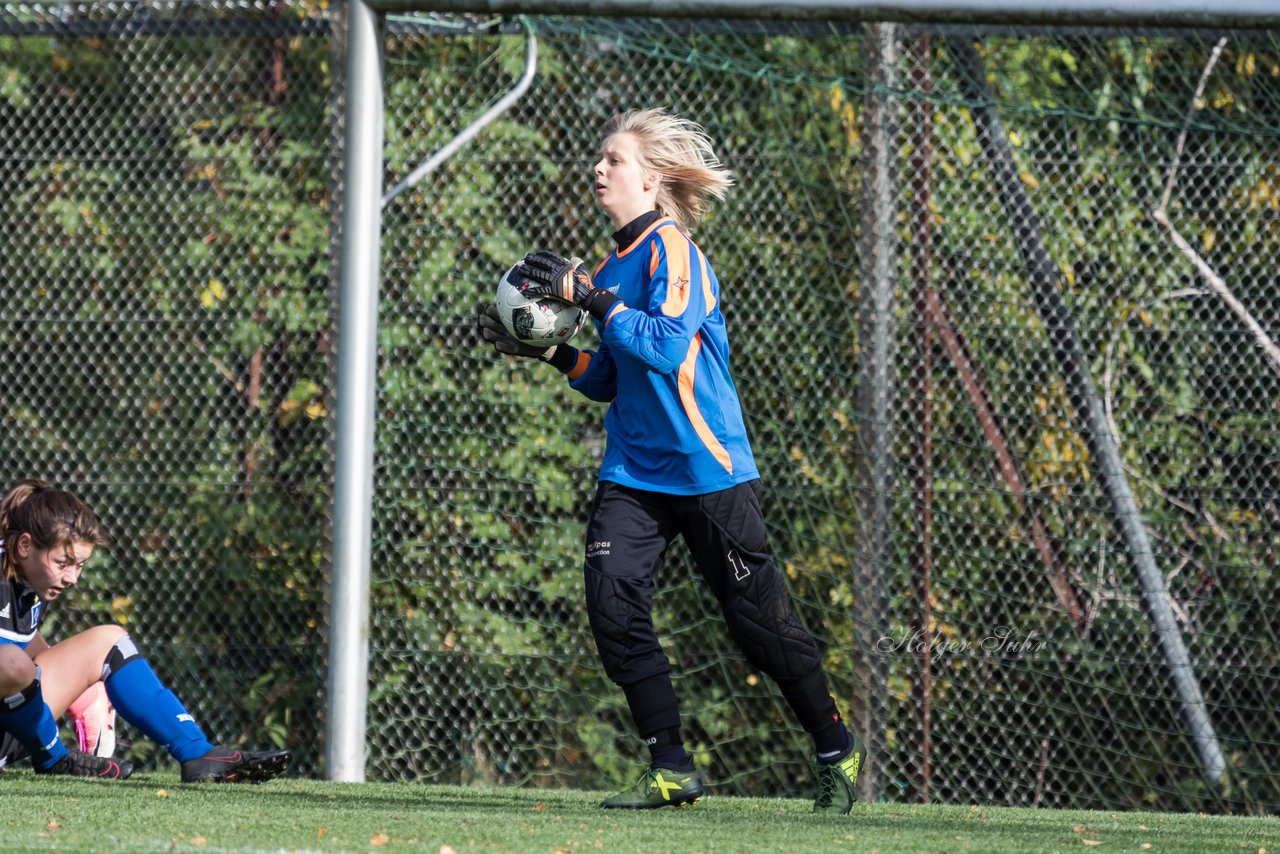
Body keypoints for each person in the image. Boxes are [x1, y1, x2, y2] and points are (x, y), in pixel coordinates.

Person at [478, 108, 865, 813]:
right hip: (634, 474)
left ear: (652, 182)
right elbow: (612, 378)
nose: (599, 168)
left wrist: (593, 303)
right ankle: (672, 766)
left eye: (614, 160)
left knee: (760, 628)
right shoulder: (609, 265)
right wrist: (550, 350)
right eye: (599, 158)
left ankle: (837, 746)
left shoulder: (673, 251)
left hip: (706, 469)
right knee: (612, 603)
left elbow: (660, 346)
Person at [0, 478, 291, 782]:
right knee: (11, 661)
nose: (73, 577)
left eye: (80, 565)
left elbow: (21, 638)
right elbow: (11, 661)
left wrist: (81, 695)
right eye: (64, 563)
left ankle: (198, 752)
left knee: (110, 640)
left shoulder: (32, 578)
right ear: (24, 545)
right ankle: (55, 758)